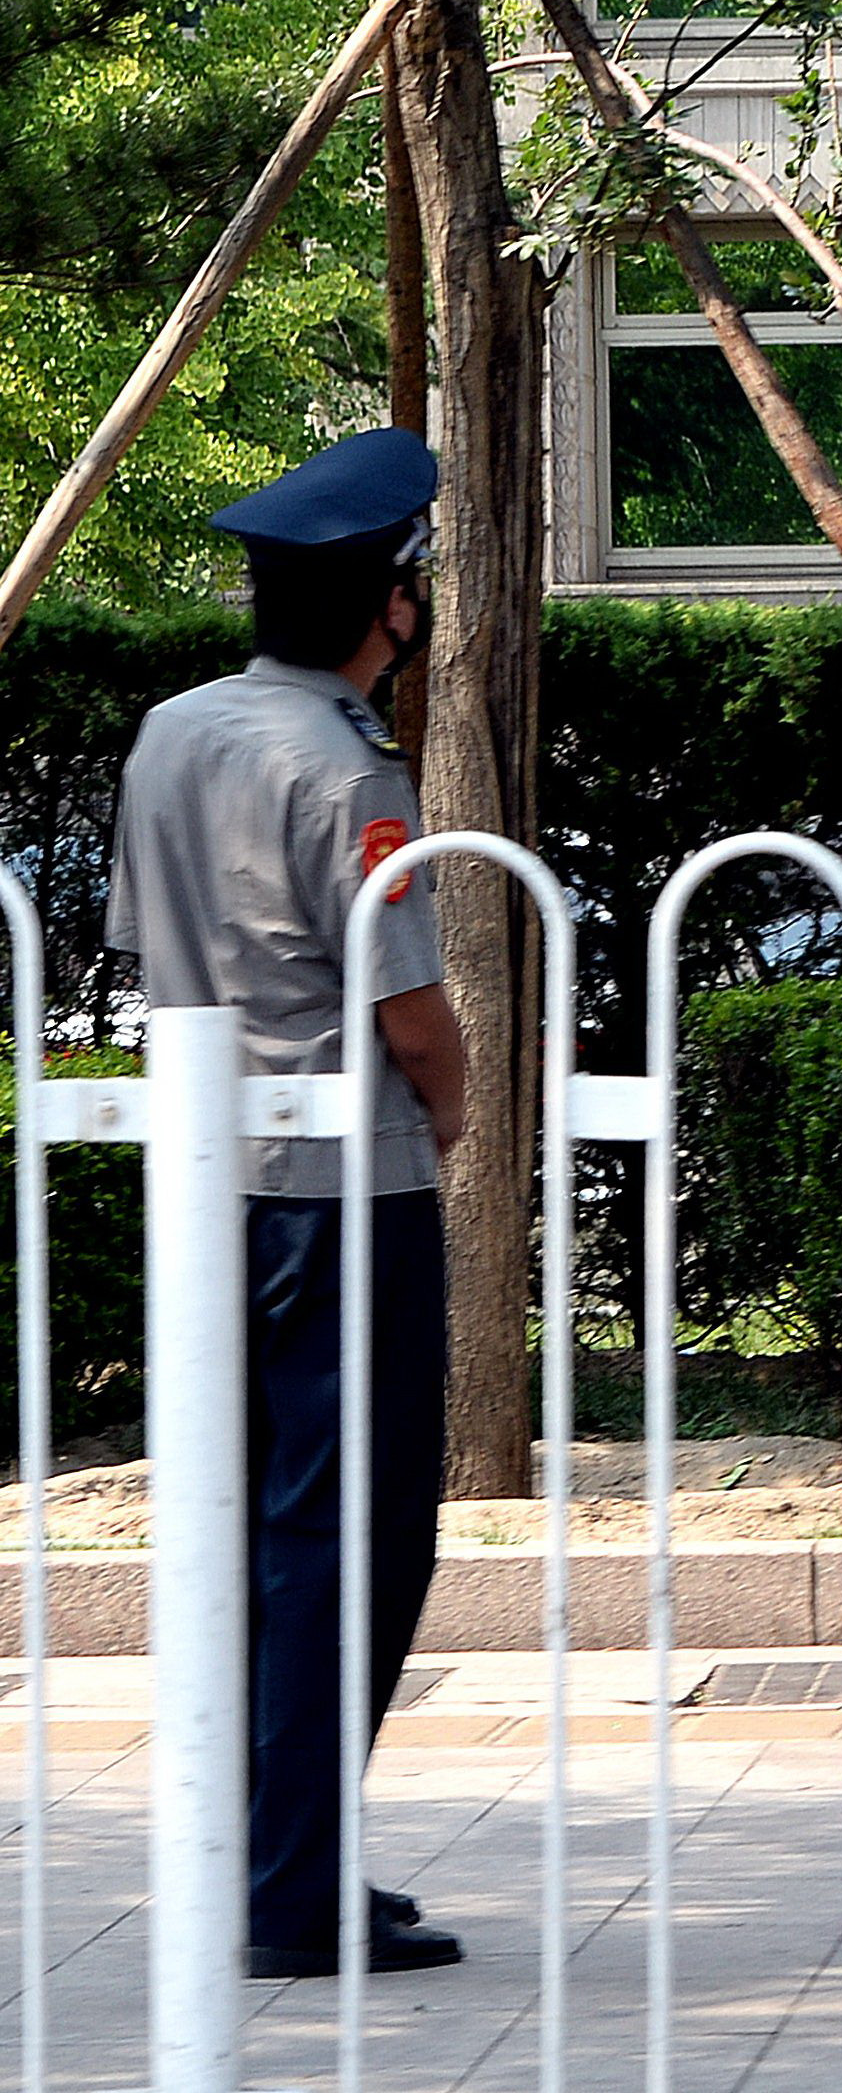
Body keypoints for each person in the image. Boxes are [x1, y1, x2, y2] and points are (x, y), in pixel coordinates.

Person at [105, 428, 468, 1979]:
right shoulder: (348, 768)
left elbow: (139, 945)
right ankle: (293, 1886)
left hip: (206, 1192)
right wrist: (454, 1118)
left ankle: (269, 1855)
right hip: (344, 1193)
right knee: (352, 1541)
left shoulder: (170, 734)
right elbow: (412, 1015)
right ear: (391, 606)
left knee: (243, 1537)